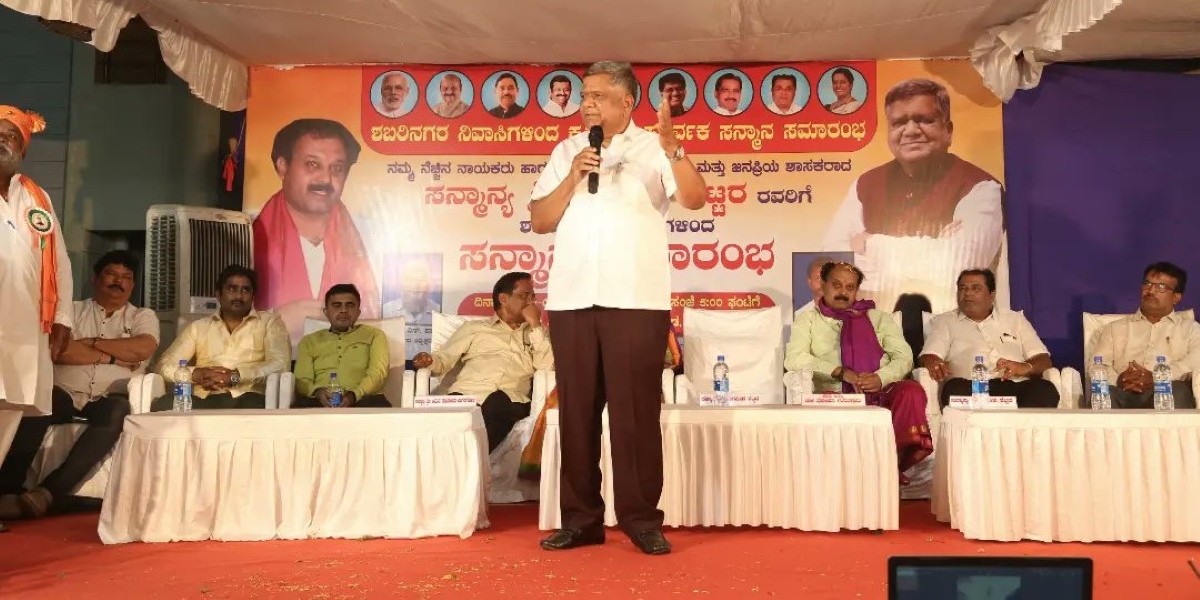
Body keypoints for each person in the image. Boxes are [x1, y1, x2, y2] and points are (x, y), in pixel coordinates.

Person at [529, 61, 707, 555]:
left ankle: (641, 519)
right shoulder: (568, 149)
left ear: (626, 103)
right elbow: (541, 221)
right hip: (572, 300)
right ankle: (582, 520)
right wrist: (570, 178)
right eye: (584, 95)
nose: (587, 103)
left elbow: (694, 199)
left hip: (635, 301)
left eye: (598, 96)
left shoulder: (654, 147)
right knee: (577, 416)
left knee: (634, 416)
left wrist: (675, 150)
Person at [822, 78, 1004, 313]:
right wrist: (935, 250)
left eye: (924, 120)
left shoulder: (982, 188)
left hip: (950, 332)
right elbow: (832, 261)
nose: (910, 130)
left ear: (948, 131)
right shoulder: (864, 184)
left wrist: (871, 244)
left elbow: (960, 266)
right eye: (899, 123)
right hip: (875, 329)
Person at [0, 251, 157, 521]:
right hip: (64, 392)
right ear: (95, 278)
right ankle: (6, 491)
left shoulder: (143, 315)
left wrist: (88, 343)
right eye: (111, 274)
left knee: (117, 411)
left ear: (132, 285)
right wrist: (113, 355)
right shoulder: (70, 311)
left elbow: (142, 348)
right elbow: (59, 350)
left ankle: (48, 493)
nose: (118, 282)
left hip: (108, 395)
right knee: (39, 402)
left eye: (126, 277)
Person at [785, 262, 933, 480]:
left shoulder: (879, 318)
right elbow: (794, 358)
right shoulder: (808, 320)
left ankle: (889, 463)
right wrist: (839, 371)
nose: (843, 292)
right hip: (834, 392)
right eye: (836, 285)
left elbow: (904, 357)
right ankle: (874, 469)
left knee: (911, 391)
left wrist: (880, 378)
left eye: (850, 287)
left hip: (880, 390)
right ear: (823, 286)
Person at [0, 106, 73, 532]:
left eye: (12, 134)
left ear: (22, 148)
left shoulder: (38, 198)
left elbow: (59, 262)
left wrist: (62, 317)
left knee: (9, 412)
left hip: (27, 331)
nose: (3, 138)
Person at [253, 118, 381, 343]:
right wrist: (274, 321)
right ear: (283, 167)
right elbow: (219, 328)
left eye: (337, 168)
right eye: (312, 164)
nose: (326, 179)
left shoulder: (370, 238)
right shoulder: (247, 237)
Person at [411, 272, 552, 451]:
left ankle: (474, 466)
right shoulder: (474, 328)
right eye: (525, 296)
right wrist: (429, 361)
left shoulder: (537, 333)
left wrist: (535, 326)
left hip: (511, 399)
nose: (531, 302)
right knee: (451, 417)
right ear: (503, 298)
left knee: (496, 403)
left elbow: (546, 367)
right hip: (468, 395)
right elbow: (443, 360)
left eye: (533, 297)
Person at [152, 265, 291, 410]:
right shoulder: (199, 327)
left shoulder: (269, 323)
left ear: (253, 296)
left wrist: (236, 376)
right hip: (204, 399)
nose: (238, 296)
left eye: (245, 290)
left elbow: (281, 365)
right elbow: (163, 366)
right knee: (163, 404)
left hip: (248, 398)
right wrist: (197, 374)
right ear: (218, 294)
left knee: (253, 404)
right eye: (232, 289)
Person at [920, 269, 1059, 408]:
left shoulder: (1015, 320)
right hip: (972, 389)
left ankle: (1017, 428)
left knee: (1045, 390)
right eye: (963, 288)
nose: (967, 293)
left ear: (991, 295)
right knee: (954, 390)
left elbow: (1043, 359)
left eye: (976, 288)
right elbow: (930, 355)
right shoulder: (945, 321)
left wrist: (1025, 367)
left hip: (1015, 386)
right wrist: (933, 362)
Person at [1093, 262, 1200, 409]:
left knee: (1178, 390)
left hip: (1167, 392)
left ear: (1176, 297)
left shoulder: (1191, 329)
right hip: (1123, 393)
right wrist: (1119, 379)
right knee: (1104, 394)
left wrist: (1158, 378)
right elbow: (1097, 365)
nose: (1151, 291)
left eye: (1160, 287)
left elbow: (1195, 363)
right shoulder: (1114, 329)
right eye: (1147, 284)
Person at [293, 284, 391, 408]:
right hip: (319, 400)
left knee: (377, 405)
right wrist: (317, 392)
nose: (343, 310)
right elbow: (302, 379)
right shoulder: (309, 341)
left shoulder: (374, 336)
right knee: (300, 408)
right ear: (326, 312)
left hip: (363, 399)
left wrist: (355, 395)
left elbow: (378, 374)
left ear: (358, 312)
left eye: (350, 305)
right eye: (336, 305)